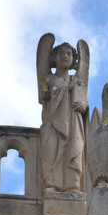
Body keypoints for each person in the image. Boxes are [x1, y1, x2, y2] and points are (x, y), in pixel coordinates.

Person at [37, 36, 89, 192]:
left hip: (74, 125)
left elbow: (84, 103)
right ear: (54, 58)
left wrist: (82, 105)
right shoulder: (48, 79)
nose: (66, 57)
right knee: (51, 152)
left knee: (75, 152)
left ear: (73, 60)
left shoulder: (77, 82)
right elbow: (44, 96)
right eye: (62, 54)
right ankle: (53, 184)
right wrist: (67, 88)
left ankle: (73, 185)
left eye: (69, 54)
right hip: (53, 125)